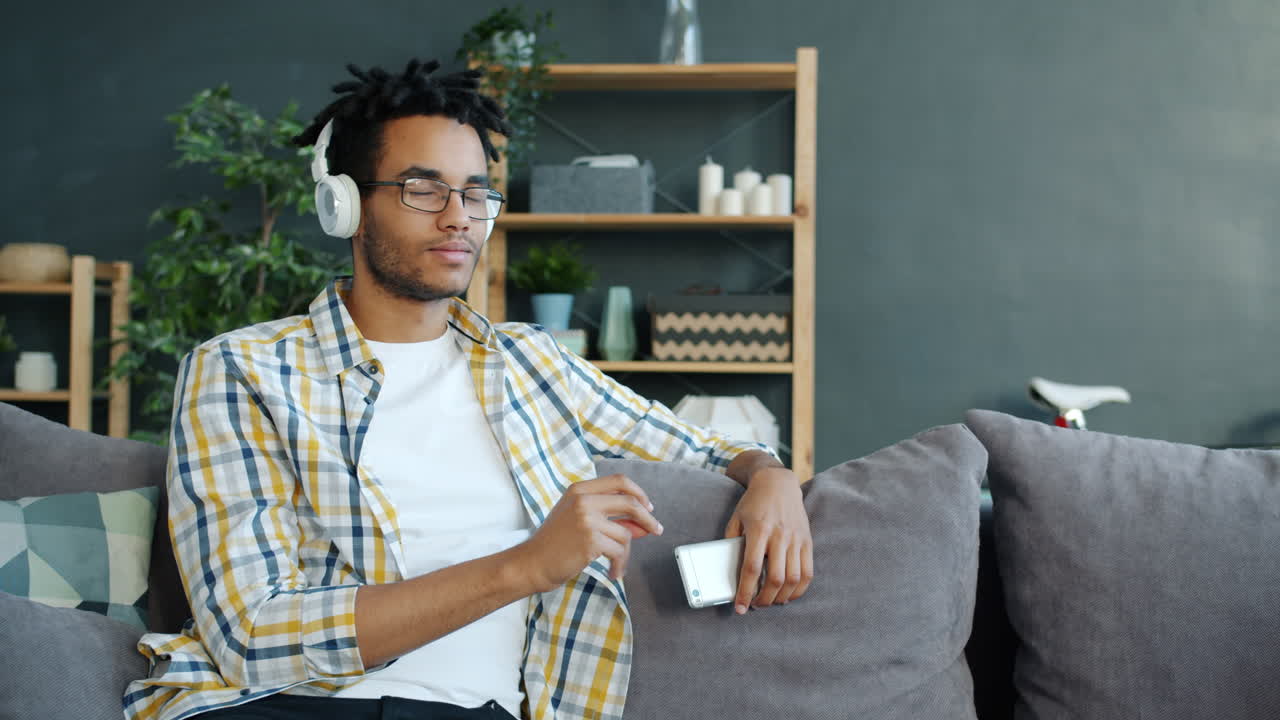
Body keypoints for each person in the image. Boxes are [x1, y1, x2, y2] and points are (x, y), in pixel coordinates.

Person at [124, 58, 813, 720]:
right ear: (345, 205)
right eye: (422, 189)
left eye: (477, 192)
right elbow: (252, 635)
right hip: (284, 708)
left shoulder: (529, 363)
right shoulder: (243, 369)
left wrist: (769, 475)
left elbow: (702, 446)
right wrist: (525, 566)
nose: (459, 217)